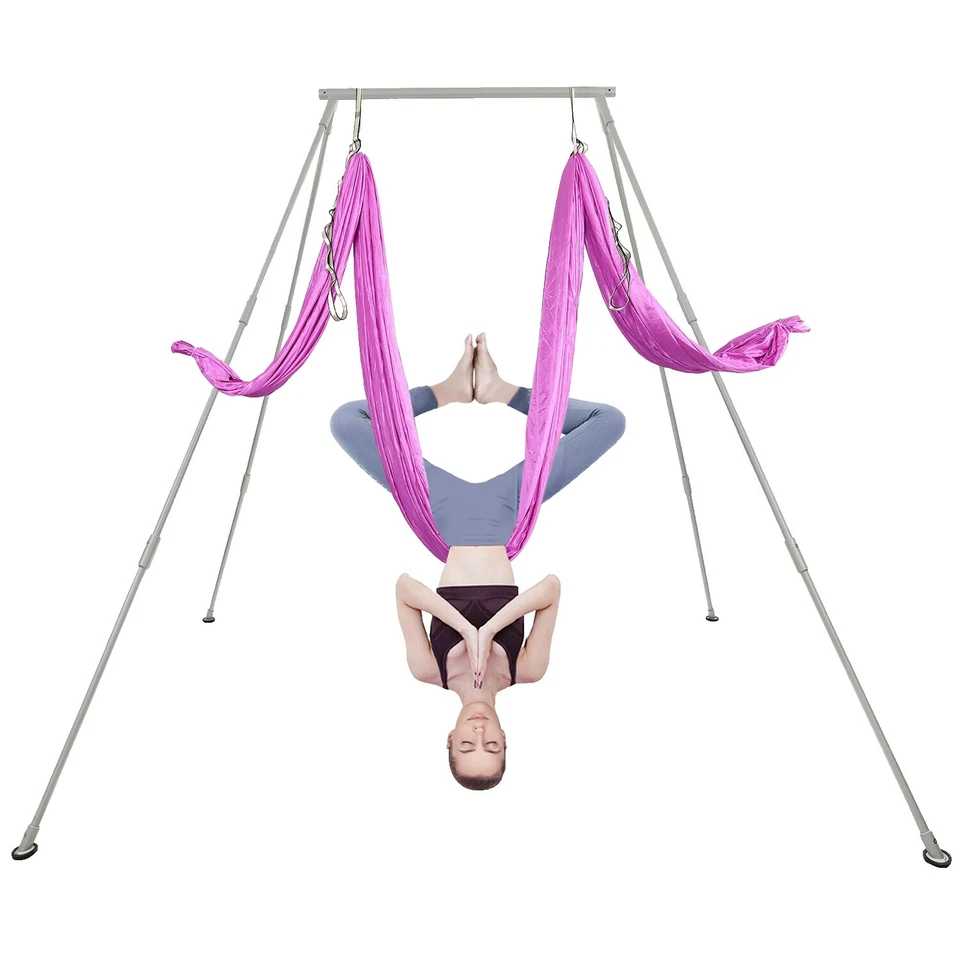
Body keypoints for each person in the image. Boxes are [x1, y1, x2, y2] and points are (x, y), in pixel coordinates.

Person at [330, 334, 626, 789]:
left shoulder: (428, 670)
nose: (480, 734)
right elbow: (549, 588)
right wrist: (489, 630)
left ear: (450, 739)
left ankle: (446, 392)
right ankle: (499, 391)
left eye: (468, 745)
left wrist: (468, 630)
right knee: (609, 422)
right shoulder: (527, 670)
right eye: (492, 746)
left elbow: (406, 588)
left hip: (441, 514)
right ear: (506, 740)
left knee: (347, 422)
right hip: (509, 512)